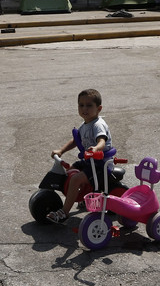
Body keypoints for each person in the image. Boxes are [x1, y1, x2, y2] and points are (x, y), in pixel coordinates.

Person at [46, 88, 113, 224]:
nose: (84, 109)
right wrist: (61, 150)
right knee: (70, 170)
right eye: (81, 105)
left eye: (89, 105)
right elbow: (76, 141)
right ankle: (82, 196)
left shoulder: (98, 125)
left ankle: (64, 213)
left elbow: (102, 141)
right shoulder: (85, 125)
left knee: (76, 179)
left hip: (100, 164)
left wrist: (95, 148)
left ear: (99, 109)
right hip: (90, 162)